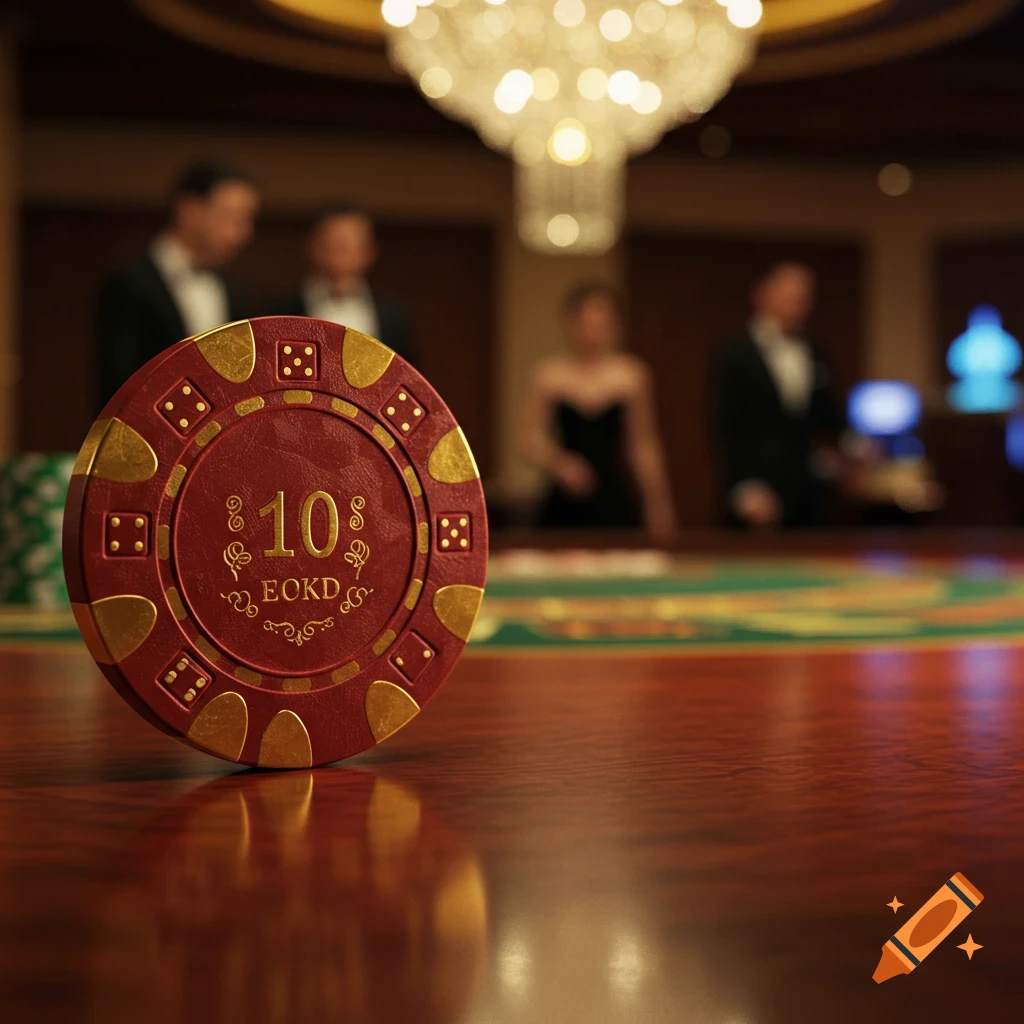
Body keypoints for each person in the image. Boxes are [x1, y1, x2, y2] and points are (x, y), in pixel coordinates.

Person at [95, 160, 259, 408]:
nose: (243, 232)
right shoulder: (130, 282)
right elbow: (116, 383)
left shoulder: (232, 289)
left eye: (247, 219)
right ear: (189, 209)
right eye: (231, 217)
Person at [522, 283, 677, 544]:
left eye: (602, 325)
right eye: (586, 324)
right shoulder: (548, 375)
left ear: (615, 326)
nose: (593, 333)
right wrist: (559, 463)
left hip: (616, 496)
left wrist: (659, 507)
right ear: (570, 324)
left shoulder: (632, 375)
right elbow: (529, 437)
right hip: (564, 499)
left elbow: (643, 445)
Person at [713, 262, 843, 529]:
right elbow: (725, 426)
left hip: (808, 491)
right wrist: (746, 486)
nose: (798, 298)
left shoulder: (815, 351)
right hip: (756, 490)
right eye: (789, 290)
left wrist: (855, 448)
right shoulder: (734, 353)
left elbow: (826, 416)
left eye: (805, 293)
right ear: (761, 293)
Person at [274, 205, 415, 364]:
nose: (341, 249)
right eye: (332, 242)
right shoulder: (281, 309)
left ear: (369, 251)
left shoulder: (391, 315)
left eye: (350, 242)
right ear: (312, 246)